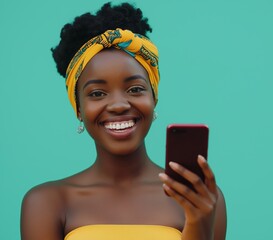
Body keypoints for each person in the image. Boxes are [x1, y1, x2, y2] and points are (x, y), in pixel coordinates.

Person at [20, 2, 227, 240]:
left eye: (135, 89)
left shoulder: (201, 199)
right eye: (97, 93)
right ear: (79, 108)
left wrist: (199, 225)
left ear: (154, 98)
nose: (119, 105)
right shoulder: (47, 202)